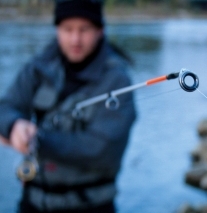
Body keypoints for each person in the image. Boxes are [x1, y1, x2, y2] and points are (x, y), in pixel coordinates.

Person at [0, 0, 136, 212]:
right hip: (32, 204)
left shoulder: (118, 80)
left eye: (84, 29)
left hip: (92, 207)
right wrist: (13, 125)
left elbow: (102, 151)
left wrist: (36, 139)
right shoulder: (39, 66)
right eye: (67, 29)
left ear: (100, 30)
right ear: (57, 29)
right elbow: (7, 106)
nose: (75, 39)